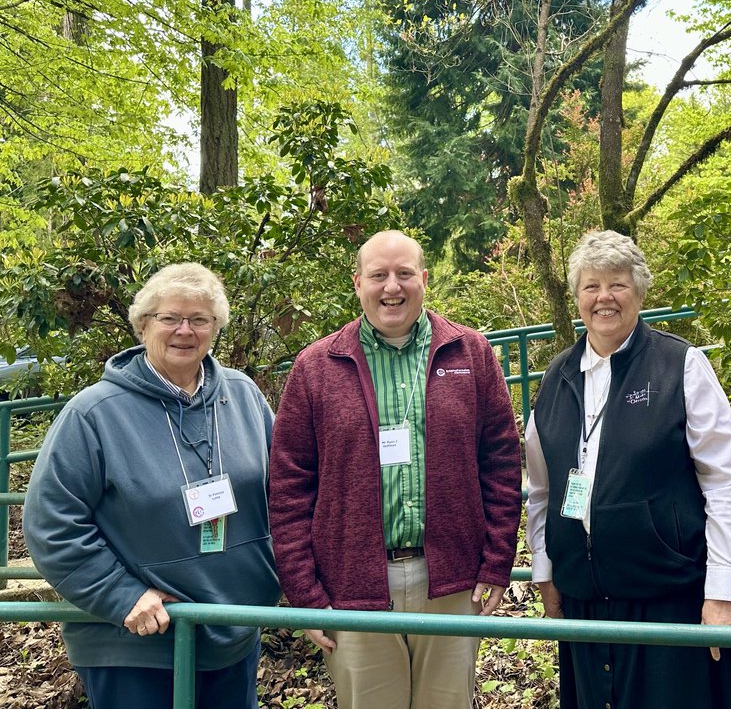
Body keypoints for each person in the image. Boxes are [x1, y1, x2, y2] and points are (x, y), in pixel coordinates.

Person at [268, 230, 522, 709]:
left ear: (424, 279)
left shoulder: (471, 354)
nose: (392, 287)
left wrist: (496, 562)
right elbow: (288, 486)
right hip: (351, 587)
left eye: (404, 274)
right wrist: (305, 593)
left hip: (452, 582)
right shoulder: (316, 367)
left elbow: (502, 464)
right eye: (379, 275)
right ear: (357, 283)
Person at [23, 263, 279, 709]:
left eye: (200, 319)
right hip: (138, 640)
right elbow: (52, 523)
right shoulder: (94, 413)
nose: (185, 330)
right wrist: (121, 595)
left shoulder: (243, 396)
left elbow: (285, 491)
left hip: (234, 627)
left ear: (215, 327)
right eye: (169, 318)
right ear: (143, 325)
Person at [525, 229, 731, 709]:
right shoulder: (556, 377)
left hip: (669, 599)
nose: (603, 297)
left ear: (640, 291)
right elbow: (542, 489)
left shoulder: (681, 365)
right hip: (585, 604)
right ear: (577, 296)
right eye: (591, 286)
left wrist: (725, 592)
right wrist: (546, 572)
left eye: (617, 284)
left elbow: (726, 481)